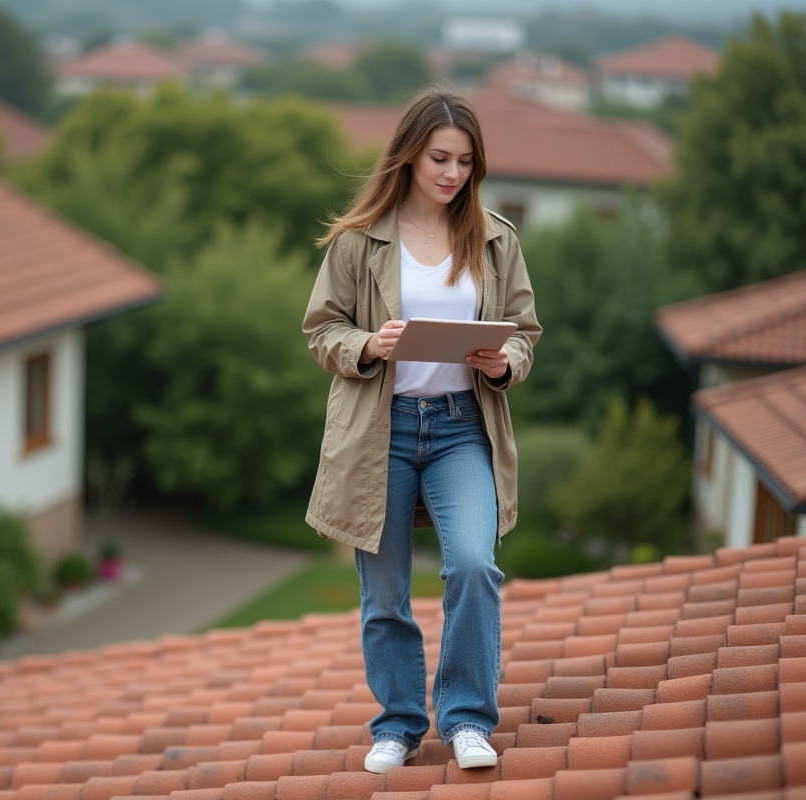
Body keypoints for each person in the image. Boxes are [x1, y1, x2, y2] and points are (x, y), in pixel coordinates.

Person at [302, 88, 540, 773]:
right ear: (409, 154)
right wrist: (371, 345)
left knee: (472, 564)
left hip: (464, 429)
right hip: (381, 434)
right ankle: (399, 726)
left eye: (466, 161)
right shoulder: (357, 241)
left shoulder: (496, 238)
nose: (453, 173)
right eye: (440, 157)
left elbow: (525, 335)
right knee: (385, 593)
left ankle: (466, 717)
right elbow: (322, 332)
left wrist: (504, 361)